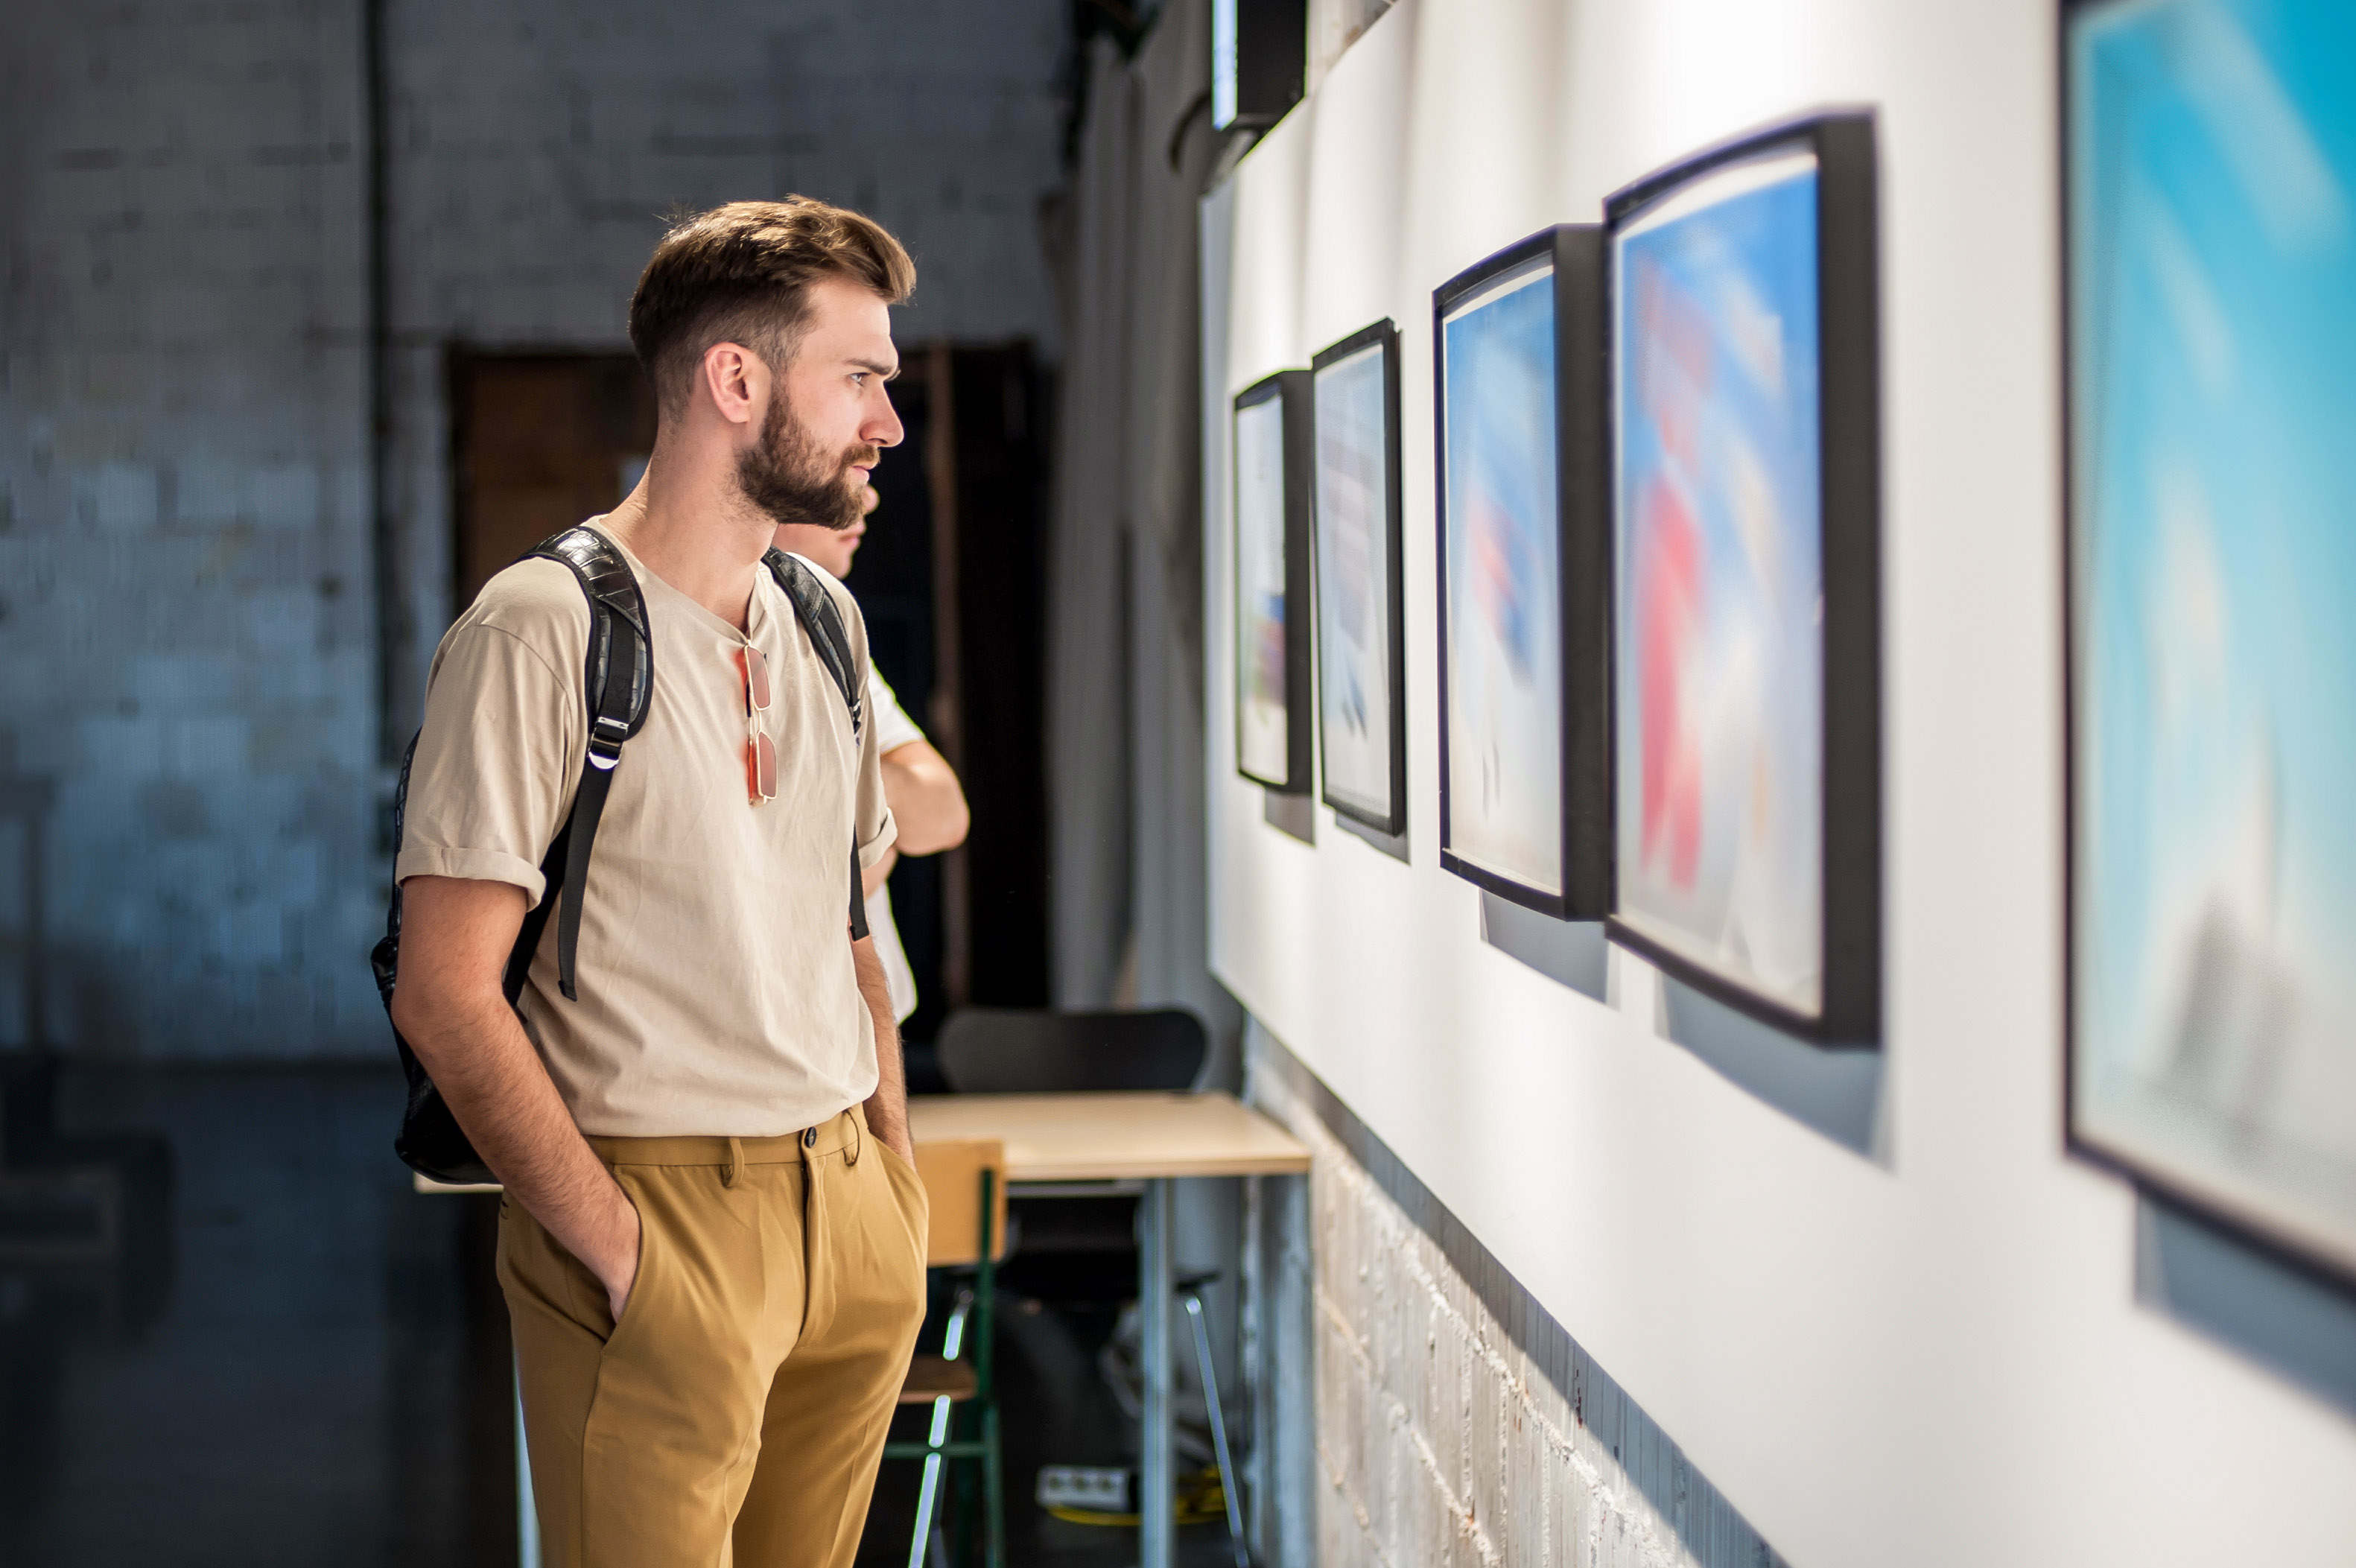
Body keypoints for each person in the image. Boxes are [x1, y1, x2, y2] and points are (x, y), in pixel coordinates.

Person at [388, 197, 928, 1568]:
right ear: (735, 380)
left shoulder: (825, 619)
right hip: (651, 1215)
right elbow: (444, 995)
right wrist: (623, 1253)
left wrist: (891, 1192)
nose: (887, 423)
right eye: (859, 378)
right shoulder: (540, 628)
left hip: (846, 1209)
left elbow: (849, 930)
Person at [774, 483, 969, 1024]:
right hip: (782, 1027)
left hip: (865, 1024)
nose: (870, 499)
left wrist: (854, 797)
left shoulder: (827, 631)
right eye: (844, 471)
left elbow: (943, 813)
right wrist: (879, 834)